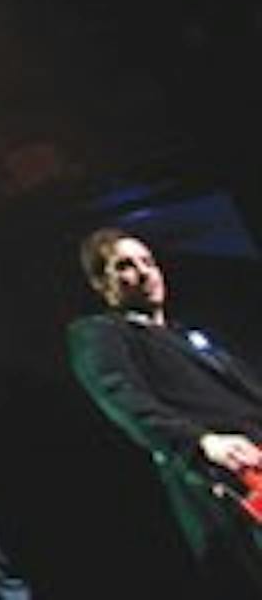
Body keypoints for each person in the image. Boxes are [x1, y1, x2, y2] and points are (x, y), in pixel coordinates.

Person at [67, 227, 262, 595]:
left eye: (148, 261)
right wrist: (202, 442)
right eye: (125, 266)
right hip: (229, 477)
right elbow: (123, 399)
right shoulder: (99, 333)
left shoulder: (193, 336)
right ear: (100, 282)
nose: (144, 272)